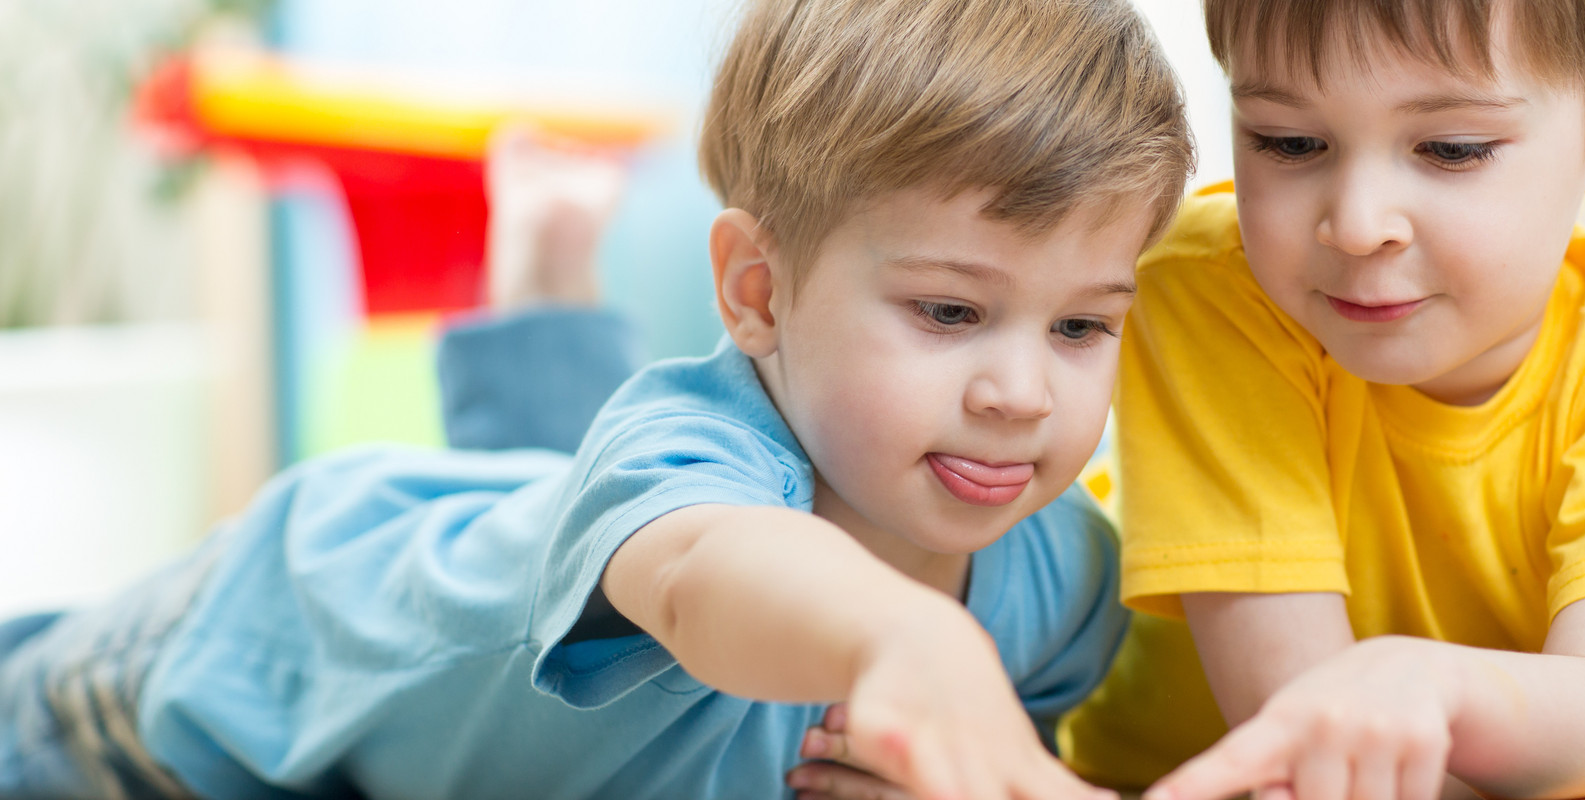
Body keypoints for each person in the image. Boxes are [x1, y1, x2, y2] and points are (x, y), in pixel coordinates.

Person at [0, 0, 1194, 797]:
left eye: (1082, 324)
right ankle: (544, 302)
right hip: (265, 647)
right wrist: (908, 633)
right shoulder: (697, 472)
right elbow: (692, 572)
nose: (1021, 393)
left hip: (557, 637)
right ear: (757, 288)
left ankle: (544, 288)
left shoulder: (1059, 579)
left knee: (559, 496)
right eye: (949, 312)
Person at [1050, 2, 1585, 799]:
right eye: (1288, 142)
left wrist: (1468, 691)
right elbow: (1312, 742)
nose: (1360, 225)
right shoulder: (1206, 292)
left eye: (1451, 149)